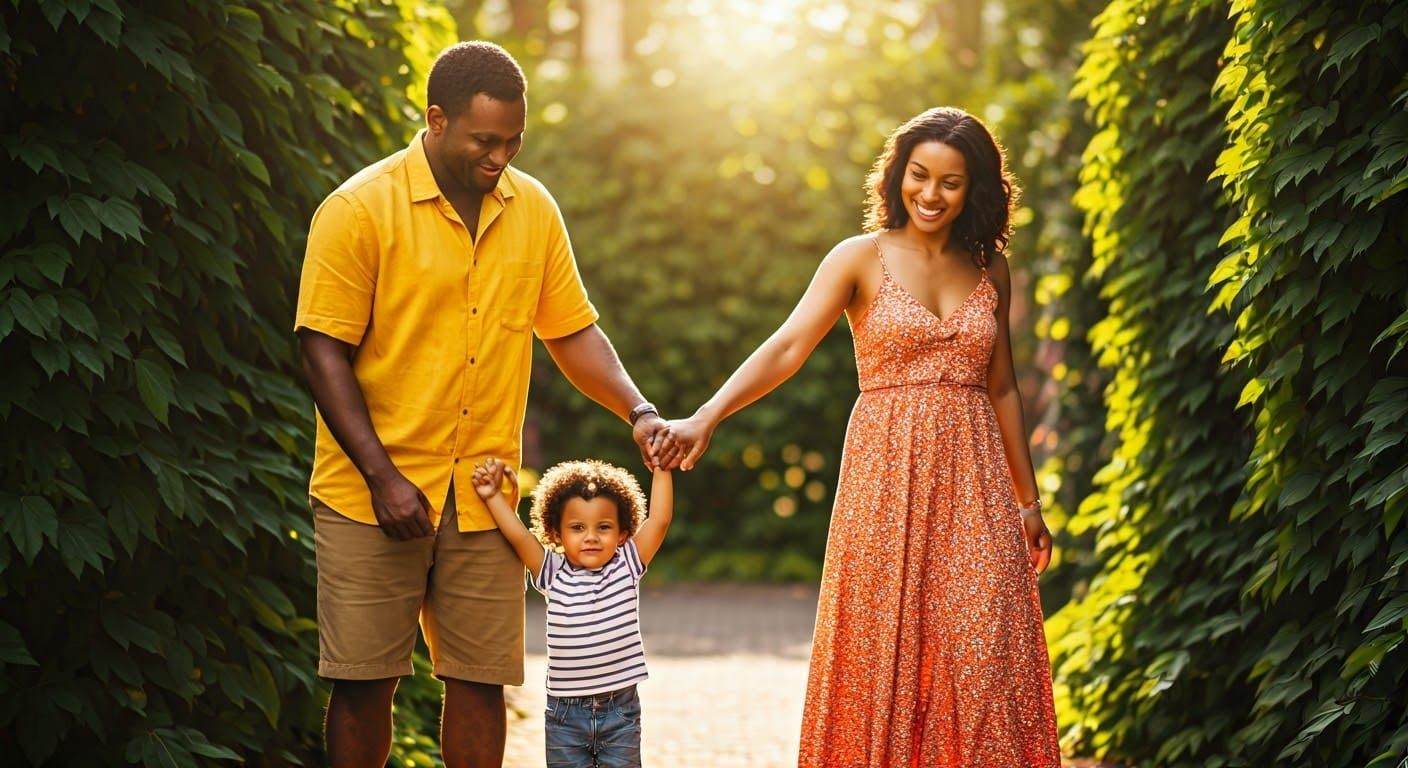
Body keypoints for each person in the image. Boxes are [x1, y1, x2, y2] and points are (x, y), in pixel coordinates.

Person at [293, 41, 677, 768]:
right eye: (484, 140)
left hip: (483, 494)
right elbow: (321, 350)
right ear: (436, 120)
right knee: (364, 682)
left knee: (479, 681)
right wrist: (381, 476)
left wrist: (638, 410)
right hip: (371, 490)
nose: (501, 156)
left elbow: (571, 330)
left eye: (514, 140)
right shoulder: (357, 210)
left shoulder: (533, 210)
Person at [668, 106, 1061, 766]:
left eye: (950, 182)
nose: (930, 194)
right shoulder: (860, 258)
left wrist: (1029, 503)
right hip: (886, 478)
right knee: (887, 649)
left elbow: (1002, 389)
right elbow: (789, 345)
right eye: (919, 175)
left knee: (986, 648)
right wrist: (706, 415)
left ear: (977, 190)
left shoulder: (990, 269)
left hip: (977, 483)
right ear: (897, 175)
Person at [471, 457, 672, 768]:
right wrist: (492, 496)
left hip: (620, 710)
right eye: (577, 528)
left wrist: (662, 467)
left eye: (603, 527)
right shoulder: (552, 571)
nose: (591, 536)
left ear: (622, 533)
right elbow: (519, 536)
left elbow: (658, 520)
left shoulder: (627, 564)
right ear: (555, 533)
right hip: (565, 716)